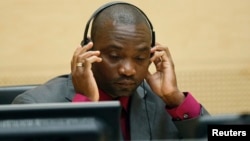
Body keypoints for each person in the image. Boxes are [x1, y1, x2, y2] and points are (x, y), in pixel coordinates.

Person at [12, 2, 209, 140]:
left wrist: (176, 100)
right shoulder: (33, 107)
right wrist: (84, 105)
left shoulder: (164, 104)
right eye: (114, 56)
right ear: (88, 50)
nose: (128, 70)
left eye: (140, 58)